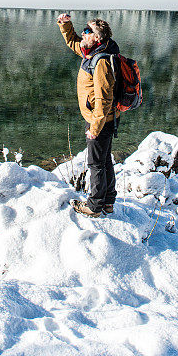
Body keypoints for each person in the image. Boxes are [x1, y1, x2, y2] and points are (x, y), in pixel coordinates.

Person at [57, 13, 120, 218]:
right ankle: (108, 202)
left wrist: (94, 128)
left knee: (95, 164)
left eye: (88, 31)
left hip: (100, 120)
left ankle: (94, 206)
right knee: (105, 161)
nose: (83, 33)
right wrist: (66, 25)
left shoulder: (100, 62)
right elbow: (74, 43)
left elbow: (104, 99)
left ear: (97, 38)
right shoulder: (92, 52)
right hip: (105, 119)